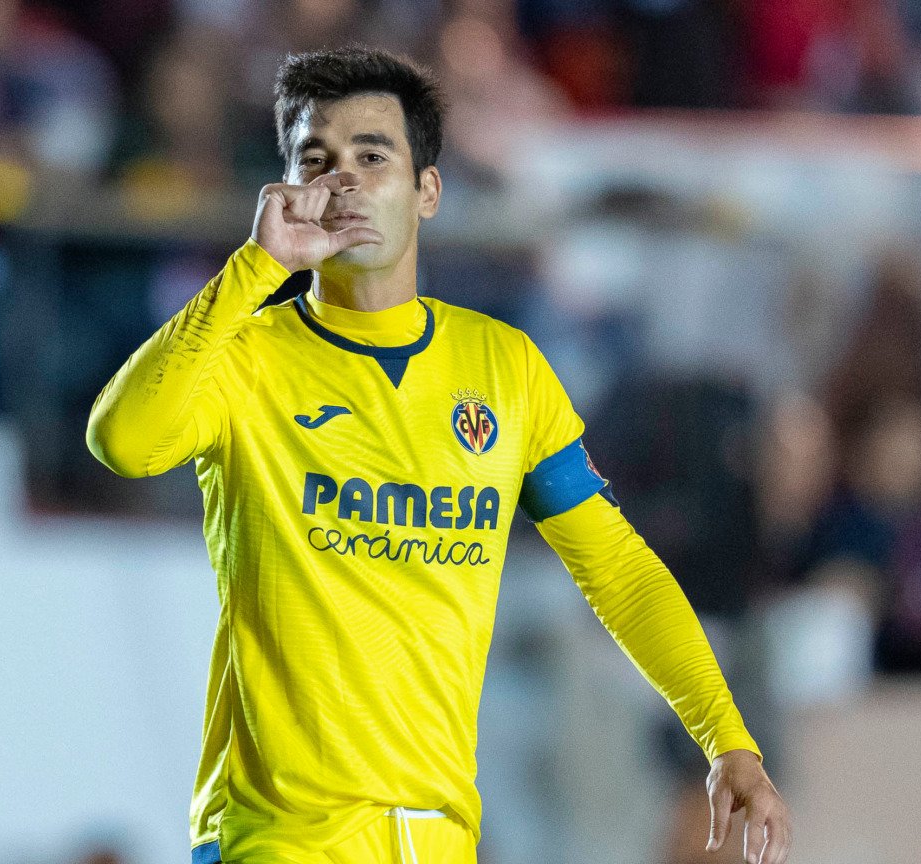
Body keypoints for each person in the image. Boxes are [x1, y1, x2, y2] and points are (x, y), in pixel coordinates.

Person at [86, 46, 790, 864]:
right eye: (316, 160)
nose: (342, 179)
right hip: (276, 840)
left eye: (372, 156)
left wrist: (726, 737)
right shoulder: (246, 358)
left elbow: (619, 570)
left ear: (427, 191)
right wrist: (257, 268)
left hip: (438, 839)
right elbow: (122, 440)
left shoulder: (504, 366)